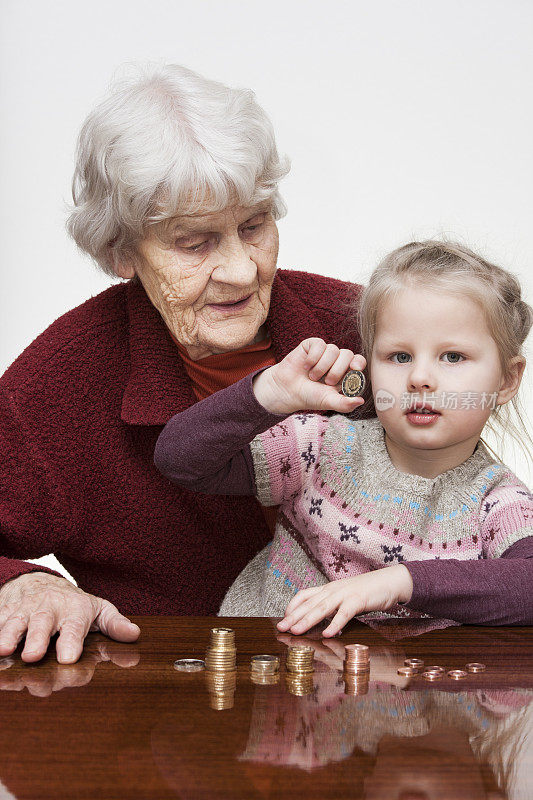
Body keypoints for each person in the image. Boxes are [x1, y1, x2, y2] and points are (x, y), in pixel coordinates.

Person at [0, 62, 373, 666]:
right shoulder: (61, 379)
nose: (243, 271)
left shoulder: (361, 324)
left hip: (371, 716)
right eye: (194, 242)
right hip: (169, 727)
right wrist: (21, 583)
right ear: (121, 250)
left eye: (254, 226)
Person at [154, 240, 533, 633]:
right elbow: (178, 460)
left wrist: (400, 582)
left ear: (507, 379)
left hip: (398, 689)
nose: (420, 379)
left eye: (453, 357)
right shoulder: (320, 448)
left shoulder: (497, 500)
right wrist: (266, 394)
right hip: (268, 671)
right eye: (399, 357)